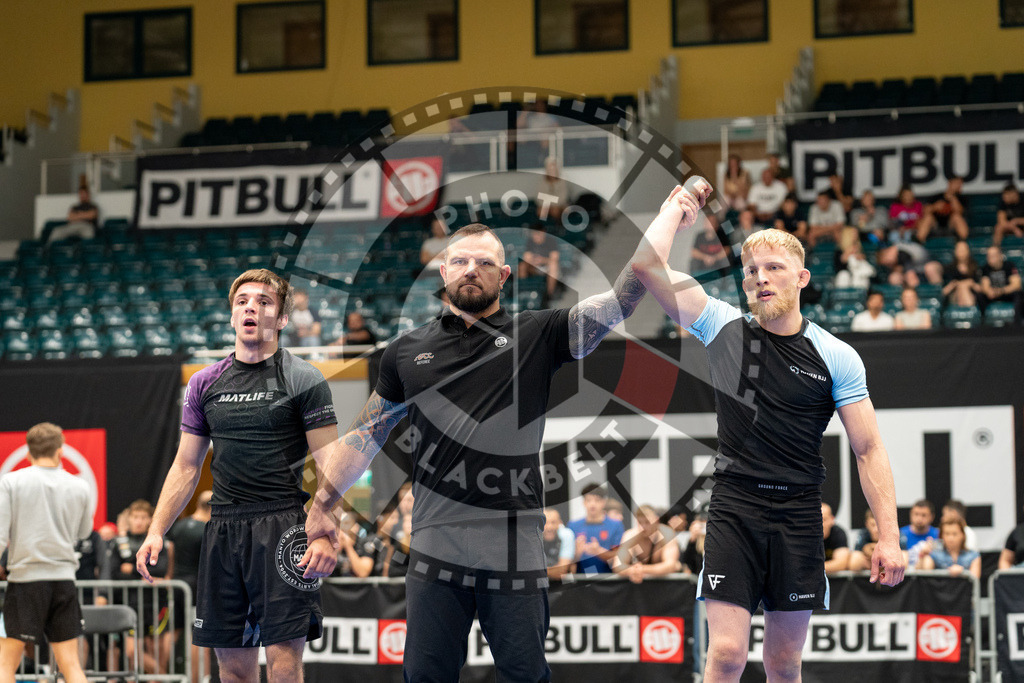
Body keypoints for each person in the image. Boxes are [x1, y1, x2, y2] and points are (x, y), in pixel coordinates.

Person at [300, 184, 710, 683]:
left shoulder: (538, 333)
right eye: (461, 261)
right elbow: (365, 437)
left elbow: (622, 298)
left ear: (506, 275)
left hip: (513, 546)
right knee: (425, 677)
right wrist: (321, 507)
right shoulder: (404, 353)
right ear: (443, 270)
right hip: (434, 545)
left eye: (485, 263)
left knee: (524, 675)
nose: (471, 270)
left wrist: (668, 214)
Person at [630, 200, 904, 680]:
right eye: (752, 269)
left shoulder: (836, 355)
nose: (761, 277)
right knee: (728, 653)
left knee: (783, 661)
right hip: (735, 509)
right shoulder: (721, 326)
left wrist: (889, 538)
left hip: (798, 515)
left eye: (775, 267)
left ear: (801, 279)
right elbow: (647, 266)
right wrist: (674, 209)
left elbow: (869, 449)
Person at [136, 268, 340, 683]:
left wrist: (325, 528)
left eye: (264, 301)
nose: (251, 307)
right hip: (223, 530)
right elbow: (186, 465)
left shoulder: (304, 378)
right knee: (231, 668)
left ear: (282, 319)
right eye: (242, 300)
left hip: (284, 526)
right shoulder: (203, 383)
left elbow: (331, 463)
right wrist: (157, 529)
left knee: (284, 663)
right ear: (232, 315)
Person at [0, 423, 92, 683]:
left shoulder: (11, 482)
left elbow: (0, 535)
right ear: (61, 449)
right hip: (63, 580)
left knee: (6, 664)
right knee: (71, 665)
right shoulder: (79, 486)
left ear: (28, 452)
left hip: (26, 581)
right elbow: (84, 532)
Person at [166, 490, 212, 683]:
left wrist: (169, 577)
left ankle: (163, 675)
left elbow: (171, 554)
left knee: (173, 631)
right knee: (198, 634)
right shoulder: (208, 529)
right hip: (197, 587)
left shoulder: (179, 527)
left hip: (177, 584)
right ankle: (199, 678)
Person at [614, 505, 682, 583]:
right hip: (641, 581)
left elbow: (670, 565)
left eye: (647, 522)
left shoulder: (666, 534)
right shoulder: (631, 536)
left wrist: (641, 569)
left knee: (677, 566)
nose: (643, 527)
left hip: (667, 584)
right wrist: (632, 571)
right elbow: (618, 565)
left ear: (656, 521)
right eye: (640, 523)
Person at [568, 484, 626, 575]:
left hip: (608, 580)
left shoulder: (616, 525)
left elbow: (619, 559)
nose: (592, 504)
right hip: (580, 581)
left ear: (603, 502)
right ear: (584, 502)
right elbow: (566, 561)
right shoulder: (573, 526)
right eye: (588, 500)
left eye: (597, 500)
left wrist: (598, 551)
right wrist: (577, 553)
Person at [918, 176, 969, 242]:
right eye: (957, 183)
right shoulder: (937, 196)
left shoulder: (962, 198)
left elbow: (960, 211)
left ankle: (963, 242)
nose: (959, 186)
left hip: (951, 225)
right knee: (928, 218)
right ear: (950, 183)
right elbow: (925, 211)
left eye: (960, 184)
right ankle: (919, 242)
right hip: (936, 224)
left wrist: (952, 198)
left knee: (957, 217)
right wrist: (935, 207)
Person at [978, 244, 1022, 318]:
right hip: (992, 295)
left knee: (1019, 294)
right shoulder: (985, 268)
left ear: (1000, 256)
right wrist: (989, 291)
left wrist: (1001, 291)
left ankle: (1017, 323)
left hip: (1006, 293)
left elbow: (1016, 285)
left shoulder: (1009, 265)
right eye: (988, 256)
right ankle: (983, 321)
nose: (990, 258)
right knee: (980, 296)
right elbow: (985, 286)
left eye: (993, 256)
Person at [518, 225, 561, 298]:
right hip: (534, 266)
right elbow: (526, 257)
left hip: (546, 267)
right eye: (534, 234)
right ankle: (523, 291)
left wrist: (542, 260)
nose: (536, 236)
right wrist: (534, 261)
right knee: (522, 265)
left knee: (553, 265)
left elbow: (555, 258)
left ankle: (550, 293)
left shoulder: (551, 241)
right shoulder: (530, 241)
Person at [900, 499, 940, 567]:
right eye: (916, 514)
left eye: (923, 515)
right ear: (911, 514)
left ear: (932, 517)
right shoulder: (900, 534)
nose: (919, 518)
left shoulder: (938, 535)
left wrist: (932, 552)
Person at [942, 240, 981, 308]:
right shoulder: (949, 268)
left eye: (963, 249)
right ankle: (969, 312)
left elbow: (980, 289)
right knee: (962, 287)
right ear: (955, 251)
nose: (961, 252)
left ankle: (965, 311)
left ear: (968, 251)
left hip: (972, 296)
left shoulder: (975, 267)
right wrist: (955, 284)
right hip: (954, 297)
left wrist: (971, 284)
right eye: (959, 249)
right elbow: (944, 291)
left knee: (963, 287)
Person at [541, 509, 575, 581]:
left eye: (553, 522)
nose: (549, 527)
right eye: (545, 523)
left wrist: (537, 571)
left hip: (561, 585)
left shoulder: (567, 534)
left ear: (560, 523)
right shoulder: (533, 536)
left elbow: (561, 570)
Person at [536, 157, 570, 223]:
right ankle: (544, 228)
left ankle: (557, 229)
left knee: (556, 211)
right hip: (545, 206)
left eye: (554, 168)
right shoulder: (541, 182)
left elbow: (563, 198)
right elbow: (539, 198)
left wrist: (549, 200)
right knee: (541, 211)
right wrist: (551, 203)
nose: (552, 170)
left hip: (560, 206)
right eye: (550, 168)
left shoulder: (563, 182)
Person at [821, 503, 850, 574]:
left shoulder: (838, 533)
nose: (820, 524)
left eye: (824, 519)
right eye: (816, 520)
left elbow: (841, 564)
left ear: (832, 520)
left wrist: (813, 569)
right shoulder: (805, 535)